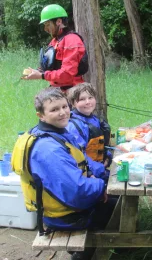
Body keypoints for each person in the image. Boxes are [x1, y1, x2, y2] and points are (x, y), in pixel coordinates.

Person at [13, 87, 116, 260]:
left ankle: (88, 251)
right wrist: (101, 186)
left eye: (64, 107)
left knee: (113, 192)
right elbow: (77, 191)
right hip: (64, 215)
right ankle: (88, 254)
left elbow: (82, 159)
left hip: (63, 203)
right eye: (54, 109)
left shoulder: (55, 133)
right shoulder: (49, 150)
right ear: (41, 116)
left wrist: (106, 173)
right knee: (116, 204)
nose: (62, 113)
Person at [24, 4, 87, 92]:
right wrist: (36, 72)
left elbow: (67, 75)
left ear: (59, 22)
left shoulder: (72, 41)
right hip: (57, 91)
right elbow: (50, 66)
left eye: (48, 24)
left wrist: (42, 75)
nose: (45, 29)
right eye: (44, 25)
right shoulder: (55, 41)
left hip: (72, 93)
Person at [66, 83, 112, 172]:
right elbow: (79, 156)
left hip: (99, 165)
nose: (88, 102)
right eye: (82, 99)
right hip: (87, 172)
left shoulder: (93, 118)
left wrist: (108, 156)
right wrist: (99, 168)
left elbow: (101, 144)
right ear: (73, 103)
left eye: (90, 98)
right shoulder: (74, 127)